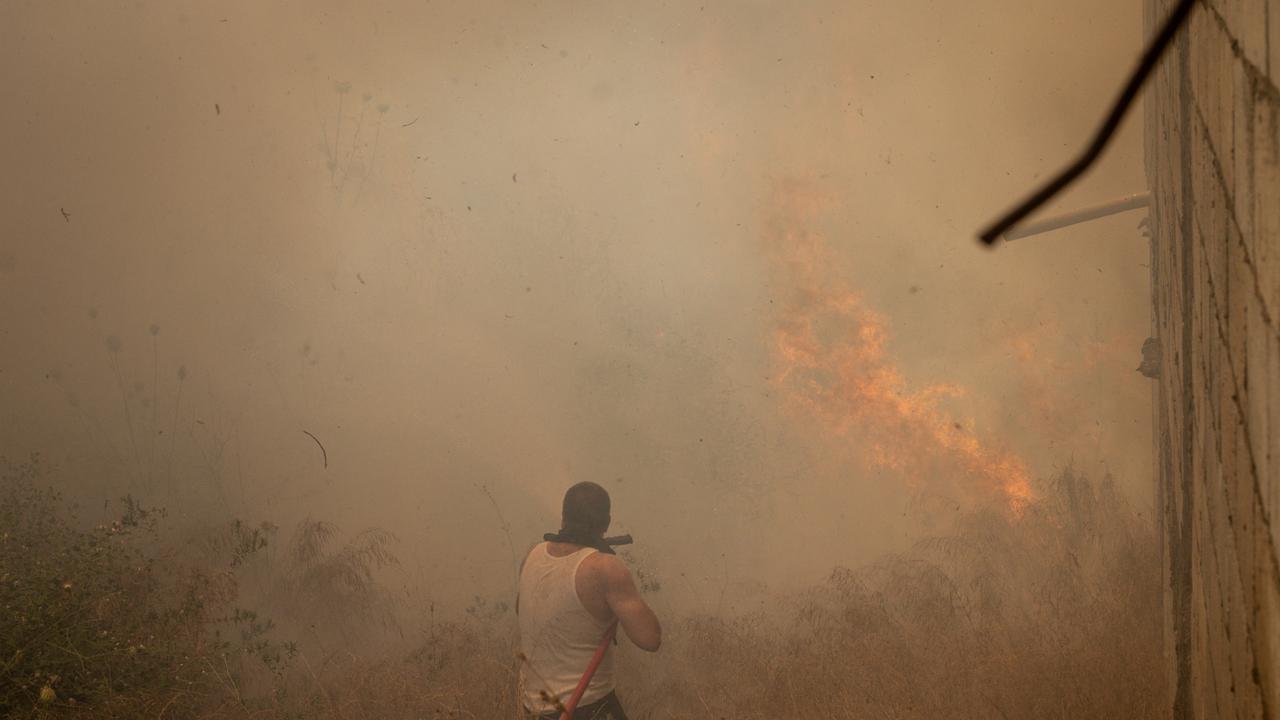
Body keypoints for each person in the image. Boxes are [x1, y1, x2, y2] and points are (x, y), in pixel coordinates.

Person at [517, 482, 661, 720]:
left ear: (563, 518)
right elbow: (650, 639)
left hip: (533, 709)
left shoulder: (533, 555)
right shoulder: (604, 567)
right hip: (583, 708)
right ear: (606, 523)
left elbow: (522, 610)